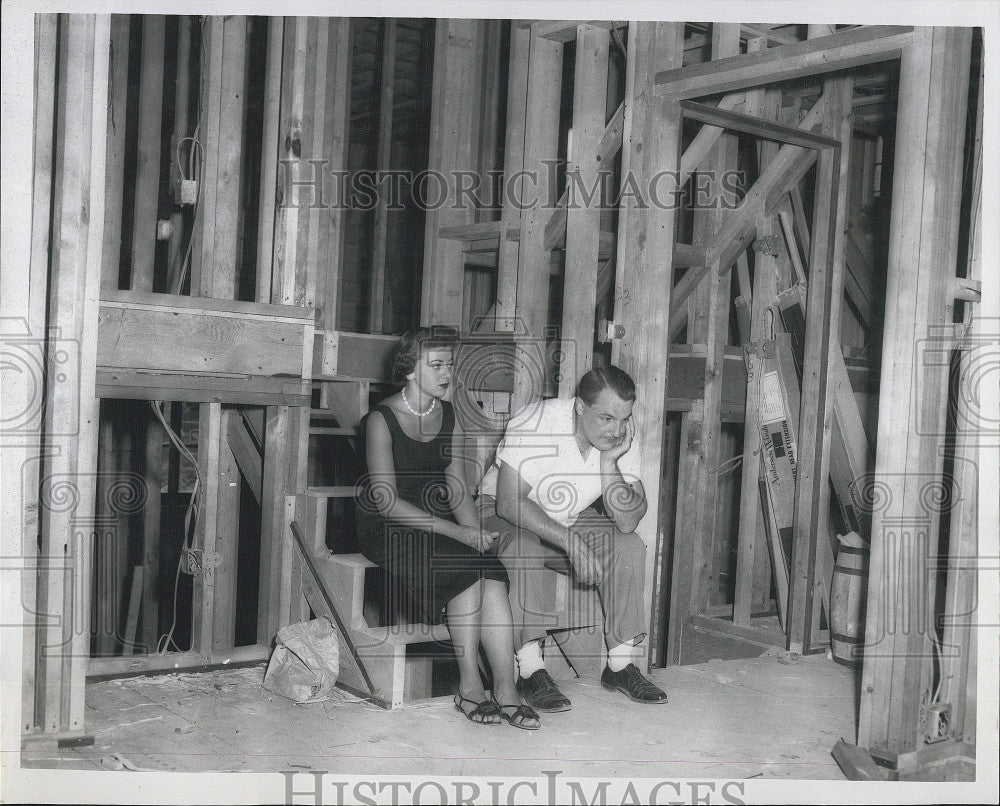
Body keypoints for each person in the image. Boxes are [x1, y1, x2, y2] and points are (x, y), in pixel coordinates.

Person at [356, 327, 539, 729]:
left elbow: (457, 486)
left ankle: (506, 690)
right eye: (436, 365)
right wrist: (458, 534)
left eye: (450, 365)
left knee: (489, 571)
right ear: (409, 370)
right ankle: (471, 685)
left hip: (438, 518)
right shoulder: (380, 419)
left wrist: (477, 536)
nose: (447, 374)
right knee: (465, 573)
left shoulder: (449, 415)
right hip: (391, 525)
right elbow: (386, 501)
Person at [479, 364, 668, 710]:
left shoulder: (620, 435)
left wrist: (610, 464)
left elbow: (628, 521)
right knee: (524, 548)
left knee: (627, 545)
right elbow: (509, 502)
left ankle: (620, 664)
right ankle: (530, 670)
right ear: (580, 407)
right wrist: (569, 541)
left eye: (624, 419)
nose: (617, 430)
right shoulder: (538, 420)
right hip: (499, 512)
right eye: (607, 418)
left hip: (565, 516)